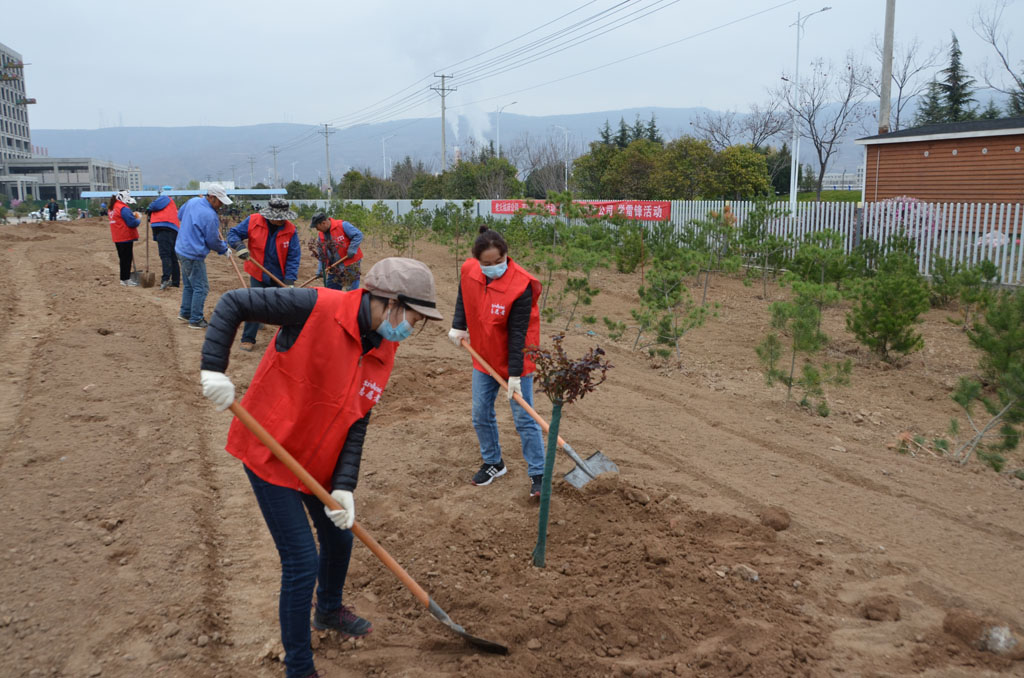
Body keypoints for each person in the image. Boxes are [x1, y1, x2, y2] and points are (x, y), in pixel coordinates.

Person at [198, 257, 443, 678]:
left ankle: (327, 611)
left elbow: (358, 420)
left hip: (321, 462)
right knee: (301, 563)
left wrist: (345, 485)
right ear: (386, 301)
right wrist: (213, 369)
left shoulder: (385, 348)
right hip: (271, 452)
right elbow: (234, 302)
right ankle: (299, 666)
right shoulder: (315, 306)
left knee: (339, 539)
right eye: (412, 317)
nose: (410, 328)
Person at [448, 226, 546, 497]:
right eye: (486, 264)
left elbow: (518, 335)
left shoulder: (521, 286)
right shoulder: (470, 270)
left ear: (507, 255)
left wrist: (515, 375)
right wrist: (459, 325)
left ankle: (538, 474)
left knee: (524, 420)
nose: (493, 268)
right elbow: (464, 296)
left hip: (517, 361)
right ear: (478, 261)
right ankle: (494, 462)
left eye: (498, 262)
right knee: (480, 413)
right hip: (483, 356)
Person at [227, 198, 302, 351]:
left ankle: (289, 338)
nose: (281, 220)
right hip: (258, 270)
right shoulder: (253, 221)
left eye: (283, 217)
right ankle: (248, 339)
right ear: (269, 215)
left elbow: (293, 256)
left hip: (279, 274)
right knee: (255, 303)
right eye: (277, 217)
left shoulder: (291, 230)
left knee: (286, 306)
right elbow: (233, 233)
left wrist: (289, 279)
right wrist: (239, 246)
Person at [175, 184, 232, 330]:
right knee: (201, 287)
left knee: (189, 285)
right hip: (193, 253)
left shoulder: (193, 201)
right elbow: (212, 240)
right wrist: (224, 249)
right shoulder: (210, 215)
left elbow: (180, 215)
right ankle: (196, 319)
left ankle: (186, 312)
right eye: (219, 201)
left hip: (181, 248)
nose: (220, 205)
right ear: (211, 197)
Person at [311, 212, 364, 291]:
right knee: (331, 291)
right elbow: (322, 255)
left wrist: (352, 248)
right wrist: (320, 269)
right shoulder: (321, 235)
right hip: (334, 267)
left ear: (323, 223)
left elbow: (358, 235)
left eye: (317, 227)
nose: (317, 229)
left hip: (351, 264)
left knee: (351, 292)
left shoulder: (342, 225)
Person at [108, 190, 142, 287]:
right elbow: (132, 223)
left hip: (117, 236)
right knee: (126, 259)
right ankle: (125, 279)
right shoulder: (123, 208)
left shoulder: (112, 208)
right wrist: (138, 219)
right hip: (125, 236)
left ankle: (124, 278)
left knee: (123, 258)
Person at [147, 193, 180, 290]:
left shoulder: (165, 198)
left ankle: (165, 279)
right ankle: (175, 281)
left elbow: (154, 205)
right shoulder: (170, 205)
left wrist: (149, 209)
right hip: (172, 229)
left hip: (165, 228)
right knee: (172, 256)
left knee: (165, 255)